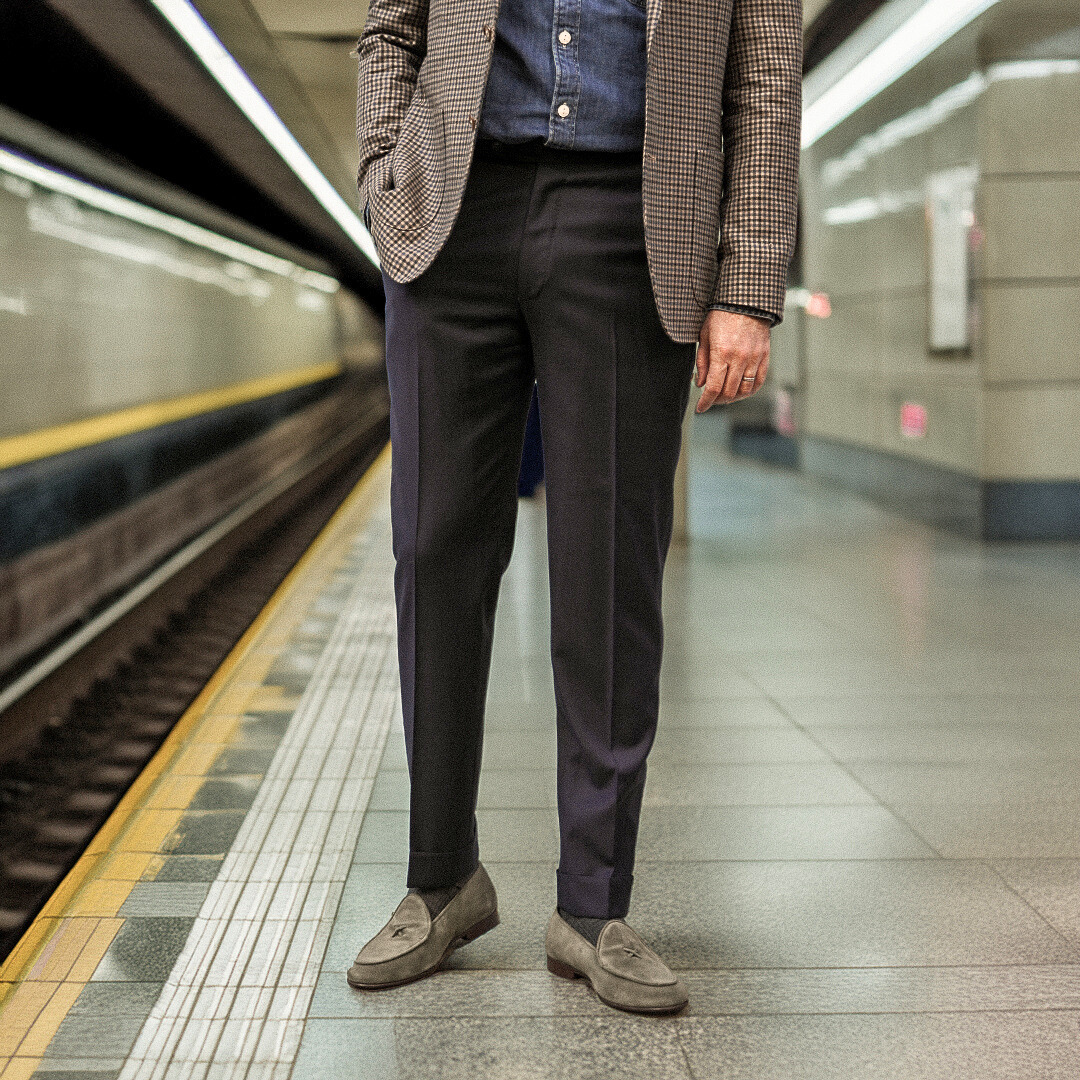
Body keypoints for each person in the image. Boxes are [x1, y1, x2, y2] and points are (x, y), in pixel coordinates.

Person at [348, 0, 801, 1015]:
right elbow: (390, 29)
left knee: (606, 570)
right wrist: (386, 173)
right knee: (434, 550)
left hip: (633, 216)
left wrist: (749, 285)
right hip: (451, 213)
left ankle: (592, 907)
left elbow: (764, 82)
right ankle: (441, 880)